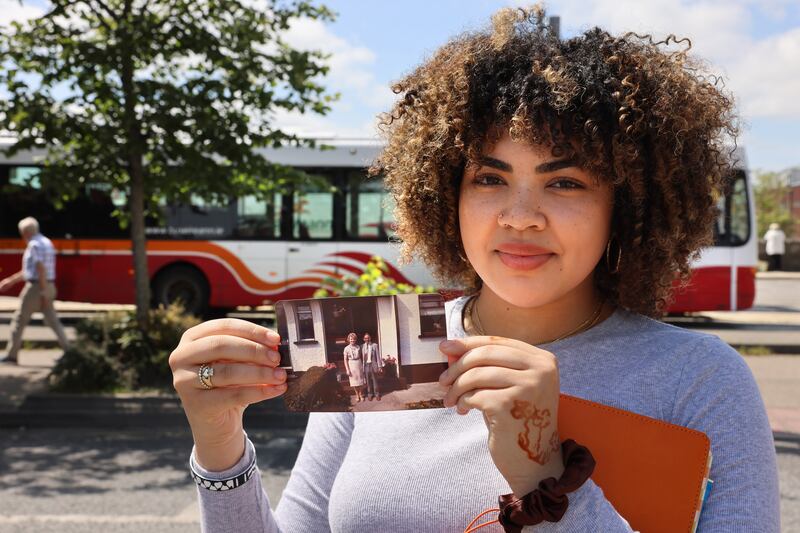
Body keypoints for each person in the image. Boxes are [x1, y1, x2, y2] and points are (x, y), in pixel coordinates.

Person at [169, 7, 779, 532]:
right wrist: (220, 447)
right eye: (489, 178)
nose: (520, 217)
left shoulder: (700, 382)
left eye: (564, 182)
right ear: (443, 196)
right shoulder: (378, 346)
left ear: (626, 205)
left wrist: (545, 478)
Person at [0, 217, 69, 364]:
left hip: (37, 288)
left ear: (25, 232)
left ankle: (12, 355)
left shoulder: (34, 245)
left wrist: (42, 292)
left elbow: (40, 270)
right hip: (49, 285)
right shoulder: (46, 242)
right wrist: (10, 281)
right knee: (53, 321)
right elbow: (31, 271)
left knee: (19, 320)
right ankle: (70, 352)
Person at [342, 332, 365, 403]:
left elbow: (361, 356)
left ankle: (361, 394)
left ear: (356, 340)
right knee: (354, 381)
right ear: (348, 340)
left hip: (358, 363)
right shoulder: (346, 348)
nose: (352, 340)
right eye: (351, 339)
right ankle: (357, 394)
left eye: (354, 339)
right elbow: (345, 360)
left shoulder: (358, 347)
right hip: (351, 364)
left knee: (360, 380)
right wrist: (347, 369)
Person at [361, 332, 383, 401]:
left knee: (374, 380)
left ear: (370, 338)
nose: (367, 339)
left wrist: (379, 366)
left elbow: (378, 356)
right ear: (363, 339)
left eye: (368, 338)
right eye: (365, 338)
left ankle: (377, 394)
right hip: (366, 366)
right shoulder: (362, 346)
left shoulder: (374, 345)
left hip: (373, 365)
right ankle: (370, 394)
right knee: (368, 381)